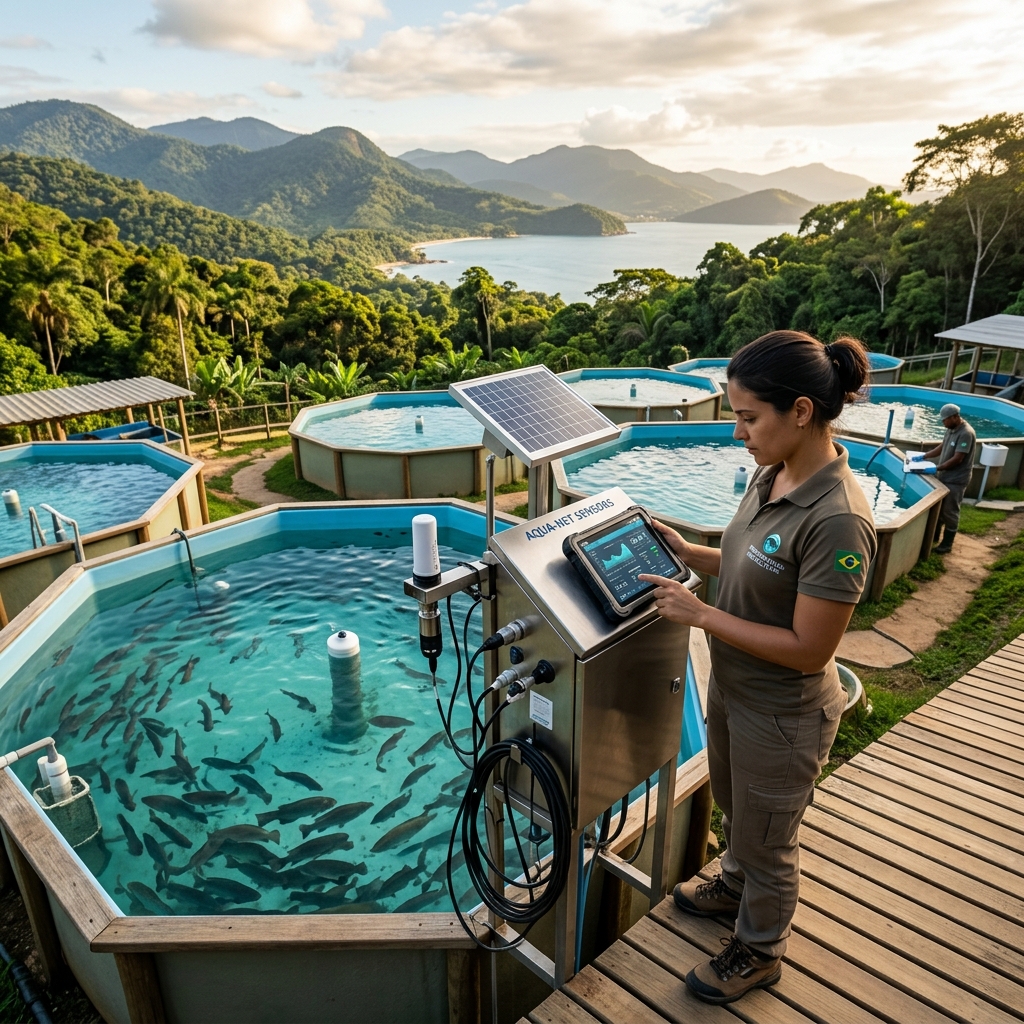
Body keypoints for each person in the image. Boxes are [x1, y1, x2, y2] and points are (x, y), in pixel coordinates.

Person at [638, 331, 877, 1006]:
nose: (738, 432)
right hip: (737, 691)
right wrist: (693, 552)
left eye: (749, 417)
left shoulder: (838, 521)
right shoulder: (774, 473)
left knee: (772, 842)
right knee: (739, 813)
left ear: (800, 411)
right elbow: (752, 562)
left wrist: (701, 616)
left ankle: (760, 949)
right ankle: (734, 882)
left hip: (785, 712)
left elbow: (811, 648)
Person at [917, 403, 976, 554]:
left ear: (955, 417)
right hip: (945, 476)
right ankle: (935, 536)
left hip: (956, 479)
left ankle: (947, 543)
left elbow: (958, 458)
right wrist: (924, 456)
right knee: (940, 509)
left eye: (945, 420)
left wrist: (937, 468)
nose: (943, 423)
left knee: (950, 511)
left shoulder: (966, 433)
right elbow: (942, 447)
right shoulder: (950, 430)